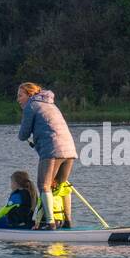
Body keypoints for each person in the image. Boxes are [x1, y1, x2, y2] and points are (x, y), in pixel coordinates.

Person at [16, 82, 77, 230]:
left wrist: (22, 136)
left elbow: (23, 134)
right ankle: (68, 221)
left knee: (44, 185)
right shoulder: (51, 104)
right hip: (69, 150)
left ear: (30, 95)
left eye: (20, 95)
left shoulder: (31, 105)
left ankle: (50, 223)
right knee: (60, 186)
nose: (18, 99)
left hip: (52, 151)